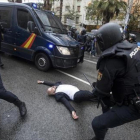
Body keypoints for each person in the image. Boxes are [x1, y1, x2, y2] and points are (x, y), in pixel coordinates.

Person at [89, 22, 140, 140]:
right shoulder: (134, 47)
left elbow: (101, 91)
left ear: (105, 40)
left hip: (134, 105)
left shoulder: (111, 59)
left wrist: (97, 87)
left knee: (97, 123)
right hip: (133, 93)